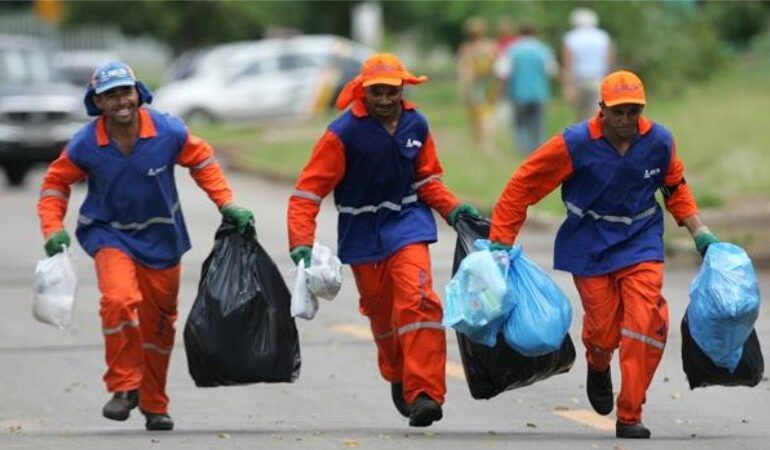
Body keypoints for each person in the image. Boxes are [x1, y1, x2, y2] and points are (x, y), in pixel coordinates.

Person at [488, 70, 720, 439]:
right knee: (602, 330)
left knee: (645, 320)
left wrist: (700, 233)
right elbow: (523, 185)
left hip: (640, 240)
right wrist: (501, 241)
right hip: (589, 243)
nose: (627, 120)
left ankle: (630, 414)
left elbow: (674, 186)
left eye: (633, 111)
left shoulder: (659, 140)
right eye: (618, 112)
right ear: (602, 111)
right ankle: (598, 364)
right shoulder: (574, 143)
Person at [37, 61, 254, 431]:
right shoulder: (86, 144)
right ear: (98, 103)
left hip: (163, 240)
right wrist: (53, 227)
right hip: (109, 235)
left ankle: (154, 403)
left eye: (125, 91)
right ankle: (124, 386)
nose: (120, 101)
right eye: (110, 95)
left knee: (158, 327)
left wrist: (227, 203)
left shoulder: (168, 130)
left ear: (138, 94)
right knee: (119, 300)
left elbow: (202, 162)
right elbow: (55, 186)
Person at [287, 53, 480, 428]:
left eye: (392, 91)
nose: (386, 99)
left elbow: (427, 180)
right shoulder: (342, 134)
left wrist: (454, 210)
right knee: (381, 314)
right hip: (361, 234)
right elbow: (308, 193)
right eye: (377, 92)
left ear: (402, 89)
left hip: (407, 224)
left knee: (420, 300)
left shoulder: (416, 124)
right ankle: (397, 372)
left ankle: (425, 393)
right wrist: (301, 242)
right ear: (363, 91)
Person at [494, 24, 558, 154]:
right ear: (535, 33)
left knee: (520, 124)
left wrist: (501, 90)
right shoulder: (542, 49)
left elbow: (502, 72)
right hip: (539, 92)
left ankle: (522, 150)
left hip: (518, 93)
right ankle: (538, 149)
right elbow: (552, 71)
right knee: (538, 122)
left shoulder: (512, 49)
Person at [561, 7, 614, 121]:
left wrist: (568, 86)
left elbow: (568, 64)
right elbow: (608, 61)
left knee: (580, 117)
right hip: (598, 80)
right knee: (598, 115)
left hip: (578, 81)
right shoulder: (603, 37)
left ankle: (583, 138)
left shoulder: (570, 38)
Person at [457, 16, 498, 154]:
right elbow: (496, 66)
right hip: (488, 84)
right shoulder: (490, 46)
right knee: (487, 114)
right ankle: (486, 143)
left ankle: (479, 143)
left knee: (476, 116)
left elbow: (464, 71)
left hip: (474, 85)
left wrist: (463, 89)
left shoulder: (466, 48)